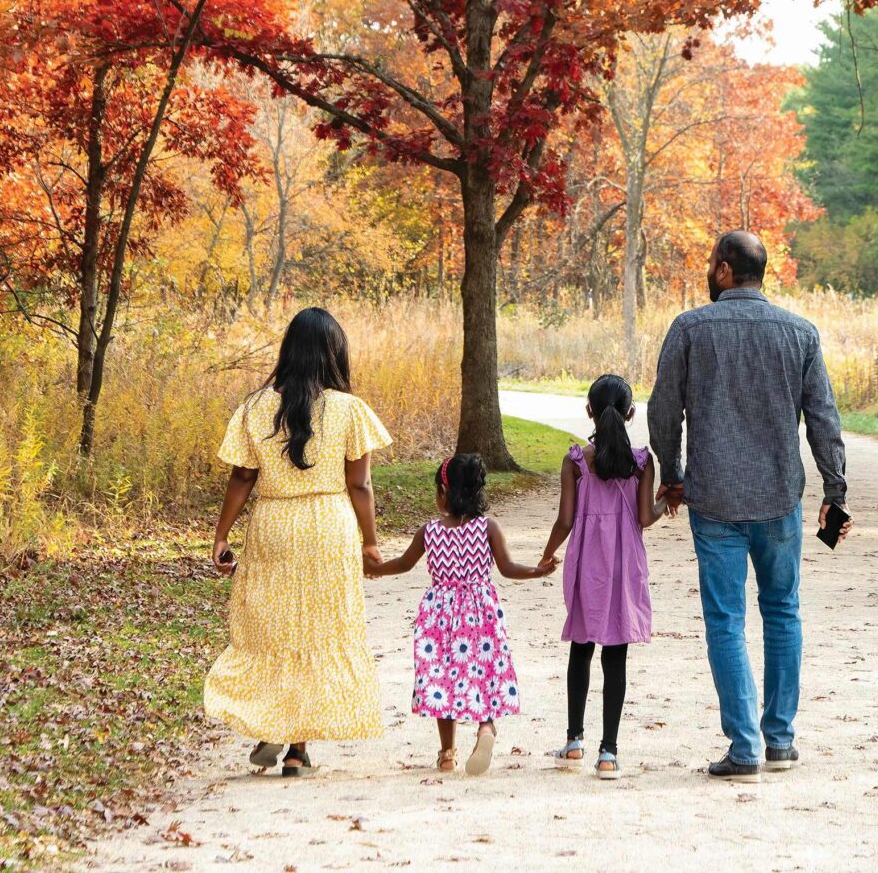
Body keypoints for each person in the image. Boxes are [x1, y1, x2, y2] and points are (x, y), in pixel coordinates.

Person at [647, 230, 849, 783]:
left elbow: (664, 411)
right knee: (783, 610)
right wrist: (835, 490)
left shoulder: (691, 329)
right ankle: (780, 739)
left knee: (726, 620)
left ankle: (744, 747)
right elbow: (824, 419)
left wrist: (673, 474)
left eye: (712, 263)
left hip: (714, 499)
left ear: (724, 271)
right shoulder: (799, 333)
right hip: (779, 497)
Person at [203, 308, 393, 778]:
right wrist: (370, 542)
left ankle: (272, 724)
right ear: (335, 353)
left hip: (273, 525)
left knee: (270, 627)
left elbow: (242, 476)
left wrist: (222, 533)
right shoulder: (350, 410)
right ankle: (296, 749)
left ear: (288, 350)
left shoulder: (255, 406)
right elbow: (361, 486)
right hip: (328, 526)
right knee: (318, 631)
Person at [367, 452, 557, 776]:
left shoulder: (429, 531)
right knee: (481, 671)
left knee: (443, 676)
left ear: (444, 492)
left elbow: (402, 564)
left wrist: (374, 569)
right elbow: (508, 569)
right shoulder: (488, 527)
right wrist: (537, 571)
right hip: (480, 610)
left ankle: (446, 754)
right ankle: (485, 727)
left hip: (439, 614)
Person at [535, 373, 660, 779]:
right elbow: (645, 517)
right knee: (616, 653)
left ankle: (574, 740)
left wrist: (546, 555)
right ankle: (609, 752)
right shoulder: (641, 463)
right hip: (625, 566)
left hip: (588, 564)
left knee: (582, 648)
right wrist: (666, 501)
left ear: (588, 410)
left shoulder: (575, 461)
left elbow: (565, 520)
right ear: (631, 413)